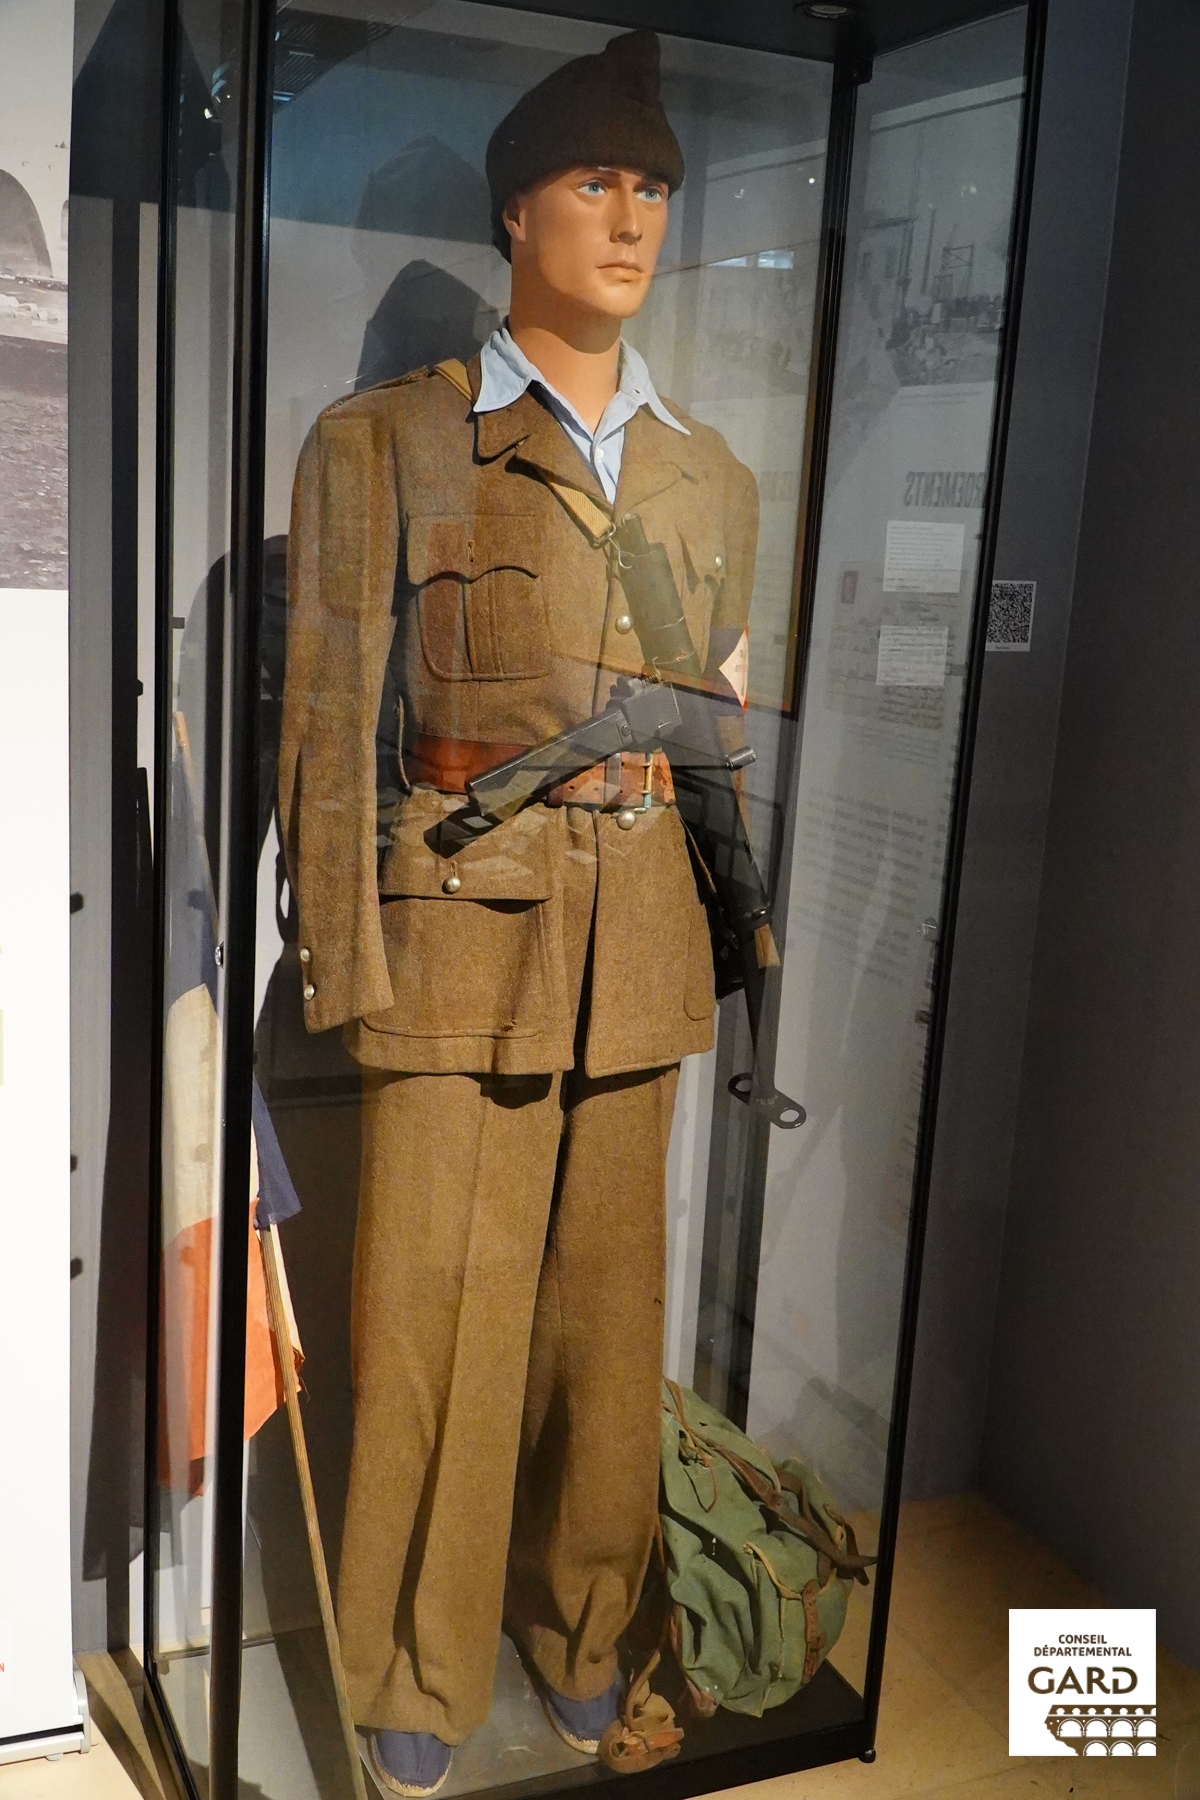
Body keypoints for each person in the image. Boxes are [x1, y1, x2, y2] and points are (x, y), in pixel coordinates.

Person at [278, 28, 759, 1797]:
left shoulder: (712, 479)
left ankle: (580, 1631)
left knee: (604, 1335)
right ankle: (413, 1658)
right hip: (455, 936)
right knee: (430, 1330)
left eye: (653, 190)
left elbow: (707, 732)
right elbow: (328, 726)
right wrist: (350, 965)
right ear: (516, 210)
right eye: (594, 183)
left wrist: (730, 942)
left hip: (638, 955)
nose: (630, 220)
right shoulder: (390, 444)